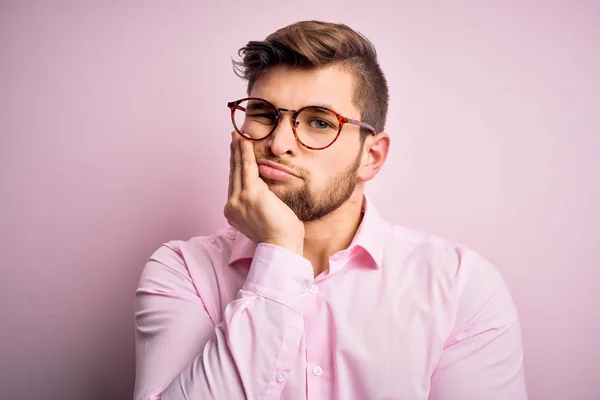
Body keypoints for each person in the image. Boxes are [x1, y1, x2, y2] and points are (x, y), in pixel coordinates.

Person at [133, 20, 527, 400]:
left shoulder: (459, 286)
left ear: (371, 157)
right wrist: (281, 250)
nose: (279, 142)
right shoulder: (182, 270)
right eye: (263, 114)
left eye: (319, 122)